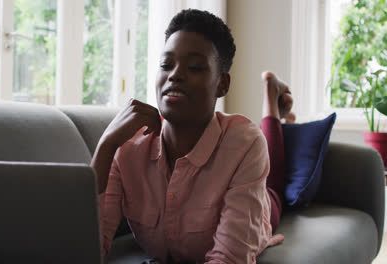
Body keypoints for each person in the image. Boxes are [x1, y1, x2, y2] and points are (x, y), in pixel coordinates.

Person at [91, 9, 294, 264]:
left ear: (222, 84)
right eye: (166, 65)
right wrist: (105, 146)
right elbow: (86, 249)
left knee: (275, 189)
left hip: (261, 207)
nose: (174, 74)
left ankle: (272, 99)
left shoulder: (245, 144)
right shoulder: (127, 146)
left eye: (195, 67)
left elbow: (228, 259)